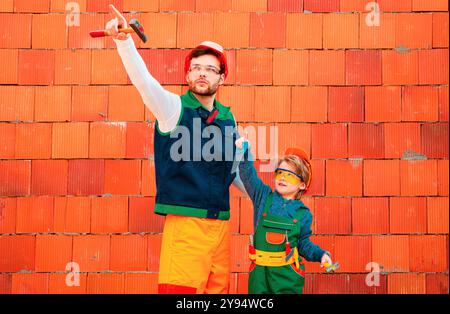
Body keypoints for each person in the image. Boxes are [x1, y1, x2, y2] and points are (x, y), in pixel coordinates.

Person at [105, 5, 245, 294]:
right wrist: (124, 41)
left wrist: (266, 199)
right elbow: (144, 83)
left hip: (220, 226)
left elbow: (234, 173)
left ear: (222, 78)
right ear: (187, 76)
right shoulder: (173, 109)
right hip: (186, 227)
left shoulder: (228, 118)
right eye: (196, 68)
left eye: (210, 69)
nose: (202, 74)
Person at [235, 137, 333, 294]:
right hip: (260, 276)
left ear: (302, 184)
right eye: (280, 172)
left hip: (287, 277)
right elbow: (248, 176)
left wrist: (321, 255)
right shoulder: (263, 196)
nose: (282, 177)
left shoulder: (303, 214)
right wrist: (245, 152)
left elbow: (303, 245)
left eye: (290, 175)